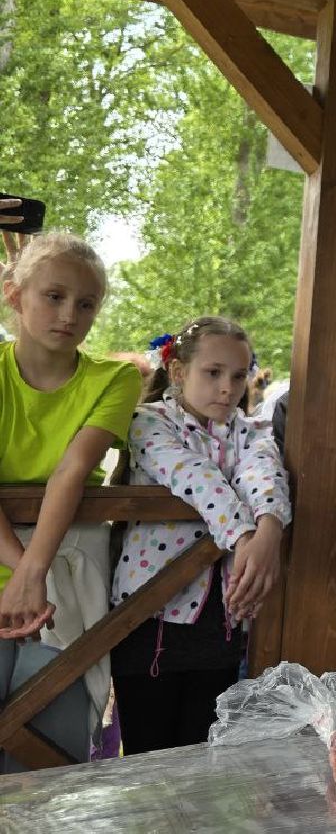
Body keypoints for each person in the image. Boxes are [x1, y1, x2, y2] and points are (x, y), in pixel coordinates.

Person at [110, 317, 290, 754]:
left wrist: (270, 529)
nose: (227, 387)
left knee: (201, 754)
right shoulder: (147, 423)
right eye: (213, 373)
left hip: (222, 621)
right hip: (150, 615)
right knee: (148, 753)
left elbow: (263, 472)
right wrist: (245, 536)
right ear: (177, 372)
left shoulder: (252, 431)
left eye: (238, 374)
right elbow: (194, 476)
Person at [0, 229, 141, 770]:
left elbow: (73, 468)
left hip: (64, 584)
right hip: (33, 575)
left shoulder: (115, 378)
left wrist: (34, 574)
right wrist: (25, 572)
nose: (69, 314)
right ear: (15, 294)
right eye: (53, 296)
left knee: (49, 750)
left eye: (86, 303)